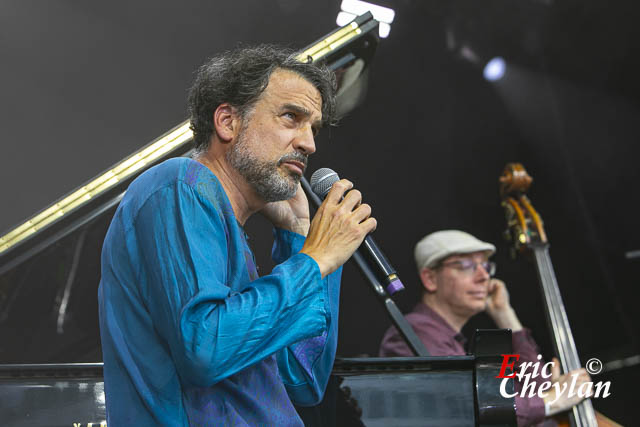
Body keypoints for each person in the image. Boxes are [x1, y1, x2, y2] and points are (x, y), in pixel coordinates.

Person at [98, 45, 377, 426]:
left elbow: (303, 379)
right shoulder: (179, 184)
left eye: (313, 127)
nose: (309, 143)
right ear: (228, 122)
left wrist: (299, 237)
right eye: (291, 117)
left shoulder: (223, 224)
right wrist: (314, 261)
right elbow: (206, 348)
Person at [379, 230, 592, 426]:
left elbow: (537, 391)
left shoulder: (449, 339)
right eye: (466, 266)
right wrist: (551, 400)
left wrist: (504, 314)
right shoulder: (416, 332)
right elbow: (470, 409)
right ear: (430, 278)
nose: (484, 276)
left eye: (485, 266)